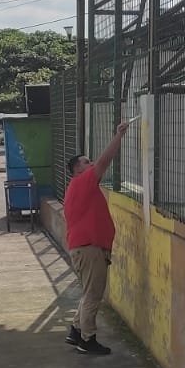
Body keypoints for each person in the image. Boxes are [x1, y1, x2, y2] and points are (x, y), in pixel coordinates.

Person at [63, 121, 131, 355]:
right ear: (77, 169)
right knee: (93, 295)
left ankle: (75, 330)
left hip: (85, 248)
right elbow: (104, 161)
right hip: (89, 249)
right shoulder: (82, 182)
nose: (91, 164)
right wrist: (118, 136)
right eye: (86, 162)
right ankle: (87, 340)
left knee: (88, 293)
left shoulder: (79, 187)